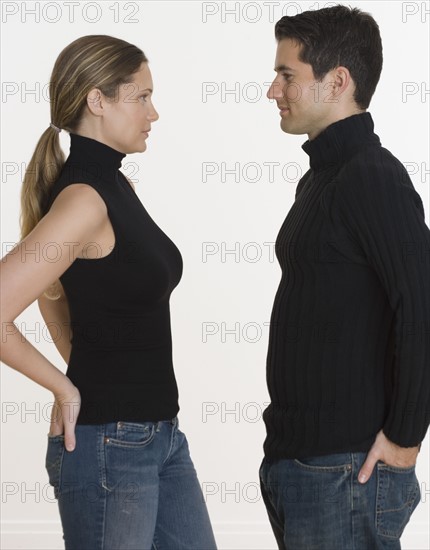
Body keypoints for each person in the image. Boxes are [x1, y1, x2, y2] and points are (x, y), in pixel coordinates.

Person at [0, 34, 217, 550]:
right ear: (97, 101)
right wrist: (67, 386)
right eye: (141, 96)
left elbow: (56, 292)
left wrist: (82, 365)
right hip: (110, 446)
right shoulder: (84, 200)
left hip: (160, 436)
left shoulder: (115, 187)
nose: (154, 112)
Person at [259, 5, 430, 549]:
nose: (273, 90)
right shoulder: (321, 179)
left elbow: (422, 306)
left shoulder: (373, 176)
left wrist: (405, 435)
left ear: (337, 81)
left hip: (346, 471)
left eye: (287, 75)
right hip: (304, 464)